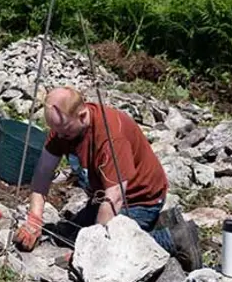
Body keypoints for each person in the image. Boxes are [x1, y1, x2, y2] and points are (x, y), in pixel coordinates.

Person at [13, 87, 203, 271]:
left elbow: (114, 199)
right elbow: (43, 171)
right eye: (57, 131)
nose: (60, 136)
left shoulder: (110, 138)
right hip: (102, 194)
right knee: (68, 235)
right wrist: (34, 219)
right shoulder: (64, 125)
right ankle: (150, 225)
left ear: (82, 115)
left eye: (65, 131)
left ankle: (175, 238)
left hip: (139, 199)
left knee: (113, 252)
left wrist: (91, 251)